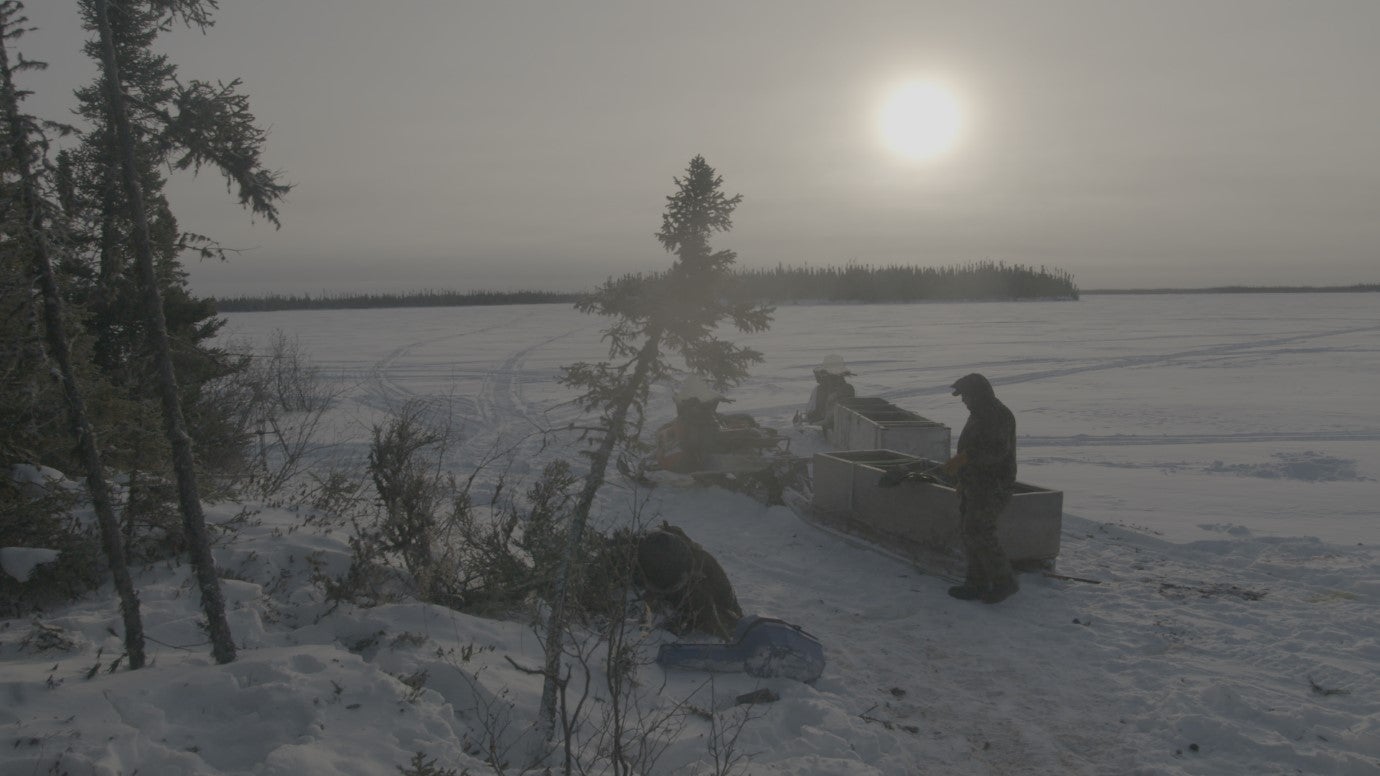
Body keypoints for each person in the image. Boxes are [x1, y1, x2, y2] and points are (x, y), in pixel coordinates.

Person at [943, 373, 1020, 604]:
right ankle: (975, 583)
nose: (963, 401)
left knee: (980, 531)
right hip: (975, 484)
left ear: (978, 394)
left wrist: (965, 459)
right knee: (970, 532)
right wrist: (962, 477)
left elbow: (996, 452)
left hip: (992, 485)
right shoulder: (979, 413)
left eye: (966, 395)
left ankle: (1004, 581)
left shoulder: (997, 415)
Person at [803, 354, 856, 428]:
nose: (829, 379)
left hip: (834, 426)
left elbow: (829, 420)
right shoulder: (822, 389)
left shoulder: (846, 389)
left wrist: (810, 425)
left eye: (832, 376)